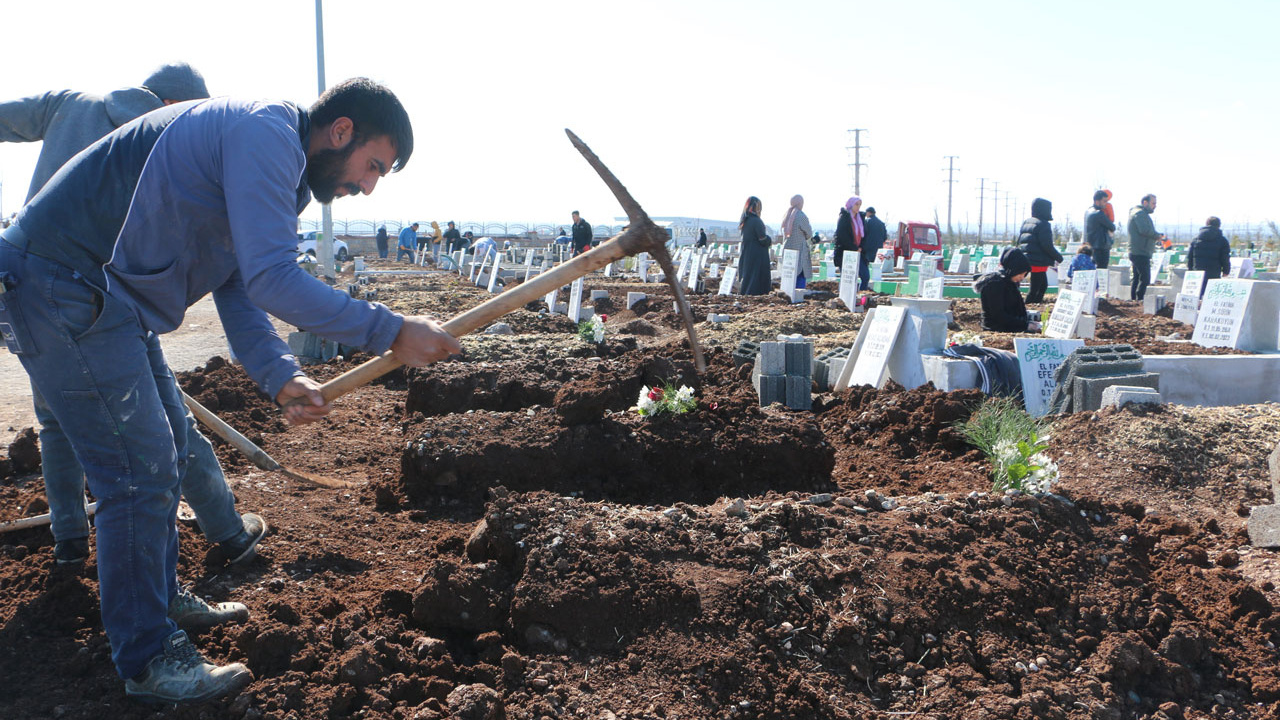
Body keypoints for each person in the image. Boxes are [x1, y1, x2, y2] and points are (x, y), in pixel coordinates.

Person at [0, 77, 461, 704]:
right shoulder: (266, 132)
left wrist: (281, 374)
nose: (366, 187)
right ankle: (146, 656)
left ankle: (156, 601)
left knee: (169, 448)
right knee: (138, 472)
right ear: (342, 131)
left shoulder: (283, 171)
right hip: (65, 283)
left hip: (110, 303)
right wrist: (392, 331)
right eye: (372, 166)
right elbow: (274, 278)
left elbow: (243, 288)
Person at [0, 62, 264, 568]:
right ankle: (226, 530)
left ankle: (70, 541)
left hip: (29, 286)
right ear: (173, 107)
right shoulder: (165, 138)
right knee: (166, 423)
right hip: (105, 300)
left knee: (55, 421)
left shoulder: (66, 105)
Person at [974, 247, 1042, 333]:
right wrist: (1025, 325)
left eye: (1024, 274)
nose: (1022, 277)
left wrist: (1027, 322)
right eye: (1020, 273)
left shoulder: (1010, 282)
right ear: (1013, 269)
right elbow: (998, 315)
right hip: (997, 328)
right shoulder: (994, 284)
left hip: (1011, 326)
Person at [1017, 197, 1062, 304]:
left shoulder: (1027, 222)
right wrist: (1059, 258)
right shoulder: (1044, 224)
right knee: (1035, 289)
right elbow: (1047, 245)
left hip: (1027, 258)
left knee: (1042, 286)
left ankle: (1035, 304)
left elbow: (1020, 240)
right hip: (1038, 260)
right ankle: (1029, 306)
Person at [1126, 194, 1164, 301]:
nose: (1155, 206)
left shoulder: (1140, 214)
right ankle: (1139, 300)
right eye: (1153, 203)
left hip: (1138, 250)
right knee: (1145, 278)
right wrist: (1157, 236)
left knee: (1137, 278)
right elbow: (1144, 230)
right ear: (1145, 203)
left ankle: (1134, 301)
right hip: (1140, 251)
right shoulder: (1139, 214)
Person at [737, 196, 772, 295]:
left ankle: (747, 293)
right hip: (757, 254)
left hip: (747, 252)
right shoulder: (756, 221)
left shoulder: (745, 220)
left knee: (748, 275)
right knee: (755, 276)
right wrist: (769, 240)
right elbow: (762, 238)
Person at [1188, 216, 1231, 293]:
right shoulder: (1222, 240)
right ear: (1219, 226)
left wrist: (1190, 270)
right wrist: (1226, 271)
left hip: (1198, 272)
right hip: (1214, 272)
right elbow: (1225, 257)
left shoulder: (1196, 239)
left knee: (1198, 296)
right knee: (1211, 295)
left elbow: (1190, 257)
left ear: (1206, 224)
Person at [780, 195, 812, 289]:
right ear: (800, 203)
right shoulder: (800, 216)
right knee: (800, 274)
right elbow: (809, 233)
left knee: (789, 275)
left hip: (788, 249)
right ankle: (798, 294)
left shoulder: (786, 215)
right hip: (799, 249)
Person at [1084, 190, 1116, 270]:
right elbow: (1112, 227)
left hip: (1091, 246)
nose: (1106, 203)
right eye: (1104, 201)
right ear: (1097, 201)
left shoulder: (1088, 211)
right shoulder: (1099, 214)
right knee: (1101, 272)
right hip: (1101, 247)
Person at [860, 206, 888, 291]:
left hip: (867, 249)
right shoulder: (881, 223)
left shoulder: (866, 222)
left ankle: (865, 287)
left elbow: (862, 235)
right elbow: (884, 237)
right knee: (875, 268)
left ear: (868, 213)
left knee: (866, 270)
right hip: (878, 249)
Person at [833, 196, 862, 272]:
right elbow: (842, 235)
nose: (858, 207)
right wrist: (854, 248)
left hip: (858, 252)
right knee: (847, 277)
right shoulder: (844, 217)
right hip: (845, 252)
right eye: (856, 204)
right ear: (851, 204)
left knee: (865, 276)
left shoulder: (859, 218)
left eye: (859, 205)